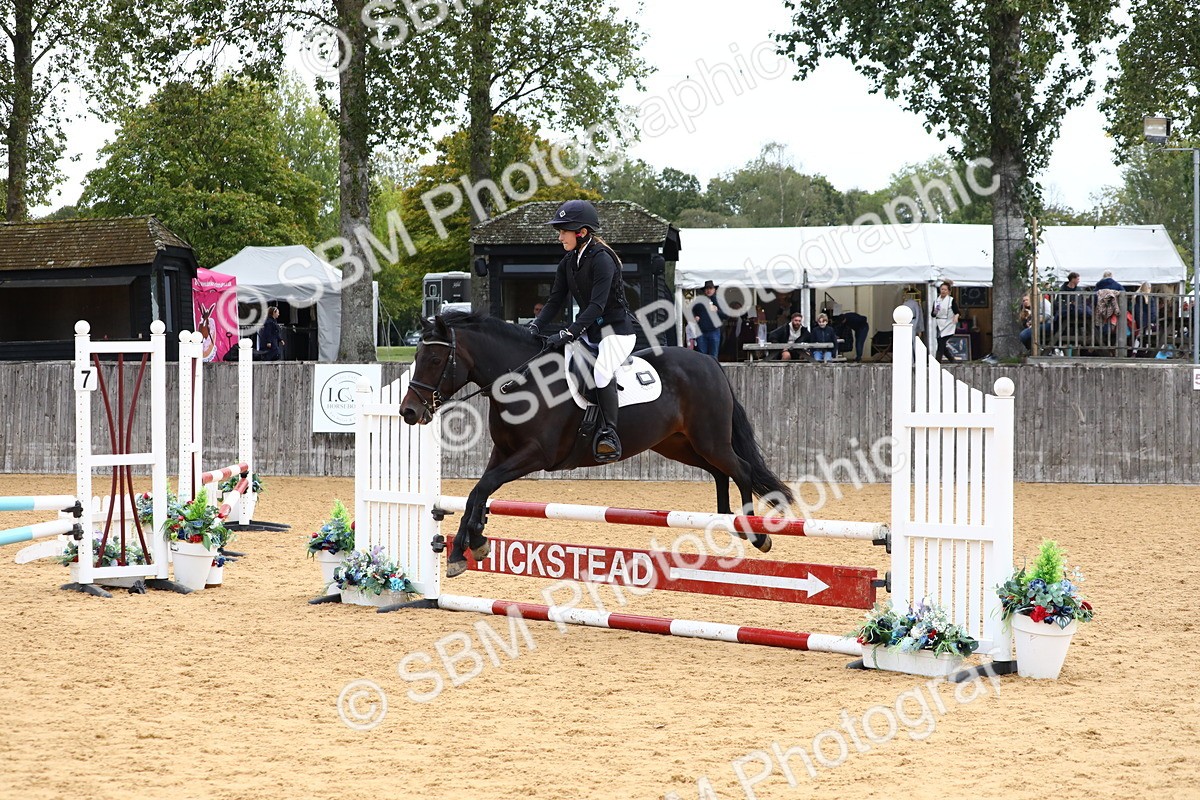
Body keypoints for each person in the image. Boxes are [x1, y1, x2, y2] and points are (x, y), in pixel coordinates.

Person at [529, 200, 633, 463]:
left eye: (564, 231)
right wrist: (534, 326)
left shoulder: (602, 259)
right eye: (560, 231)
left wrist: (569, 332)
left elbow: (597, 306)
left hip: (616, 332)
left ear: (582, 232)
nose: (560, 236)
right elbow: (554, 301)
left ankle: (609, 434)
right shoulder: (568, 262)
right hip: (591, 331)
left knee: (600, 372)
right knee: (558, 363)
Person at [690, 280, 723, 359]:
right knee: (702, 356)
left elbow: (726, 315)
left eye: (710, 288)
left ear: (714, 289)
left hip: (714, 331)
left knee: (714, 355)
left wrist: (717, 311)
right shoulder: (698, 301)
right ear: (704, 290)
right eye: (707, 288)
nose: (709, 290)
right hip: (701, 332)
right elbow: (691, 311)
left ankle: (713, 371)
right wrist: (694, 317)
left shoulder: (719, 301)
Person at [931, 282, 960, 362]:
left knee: (941, 343)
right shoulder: (937, 300)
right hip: (940, 324)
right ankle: (952, 360)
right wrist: (935, 311)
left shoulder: (951, 300)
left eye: (945, 290)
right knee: (941, 344)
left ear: (948, 291)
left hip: (949, 324)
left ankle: (937, 362)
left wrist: (956, 317)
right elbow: (933, 314)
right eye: (942, 289)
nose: (943, 291)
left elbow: (957, 311)